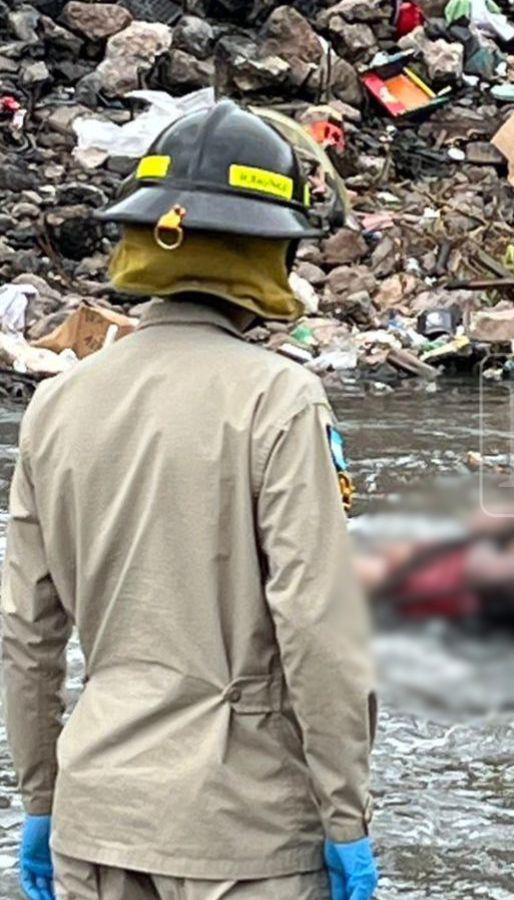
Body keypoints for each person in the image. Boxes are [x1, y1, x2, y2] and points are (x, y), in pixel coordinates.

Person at [3, 101, 378, 900]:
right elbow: (320, 629)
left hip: (96, 819)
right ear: (269, 251)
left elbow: (27, 636)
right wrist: (347, 817)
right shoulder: (279, 401)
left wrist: (41, 798)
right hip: (245, 835)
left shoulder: (56, 405)